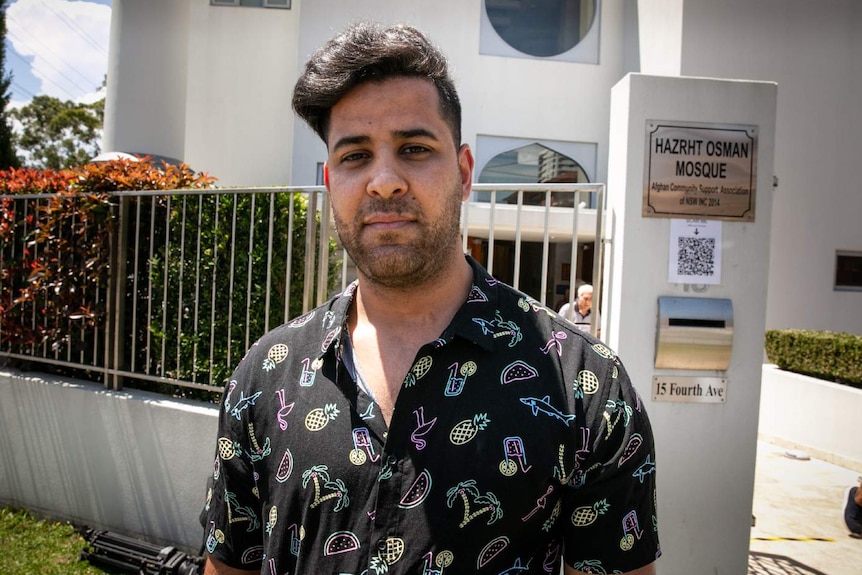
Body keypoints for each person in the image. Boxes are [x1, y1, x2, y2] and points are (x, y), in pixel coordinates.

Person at [200, 22, 659, 575]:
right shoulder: (267, 373)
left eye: (414, 149)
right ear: (330, 181)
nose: (385, 181)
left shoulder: (584, 383)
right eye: (355, 156)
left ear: (463, 173)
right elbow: (229, 565)